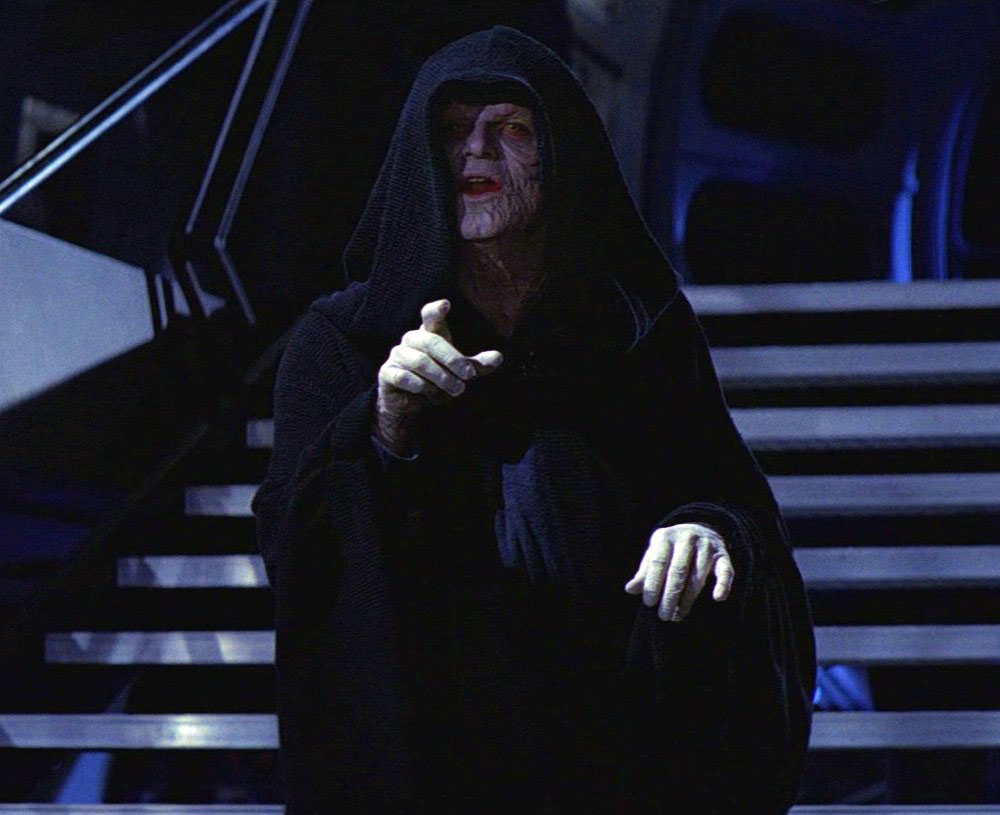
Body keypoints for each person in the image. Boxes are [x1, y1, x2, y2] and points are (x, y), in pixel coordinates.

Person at [253, 26, 816, 814]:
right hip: (432, 746)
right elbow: (297, 552)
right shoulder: (343, 341)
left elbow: (729, 496)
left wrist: (706, 528)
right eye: (454, 130)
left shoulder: (637, 331)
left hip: (613, 733)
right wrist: (382, 423)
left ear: (561, 152)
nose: (475, 152)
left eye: (511, 129)